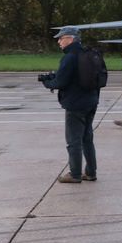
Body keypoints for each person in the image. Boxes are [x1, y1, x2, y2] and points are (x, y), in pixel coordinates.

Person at [42, 27, 100, 183]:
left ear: (71, 39)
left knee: (73, 141)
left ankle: (75, 174)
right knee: (87, 139)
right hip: (91, 101)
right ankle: (90, 172)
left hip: (75, 104)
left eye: (61, 38)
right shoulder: (87, 54)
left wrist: (47, 83)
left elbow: (61, 82)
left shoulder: (69, 57)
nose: (59, 42)